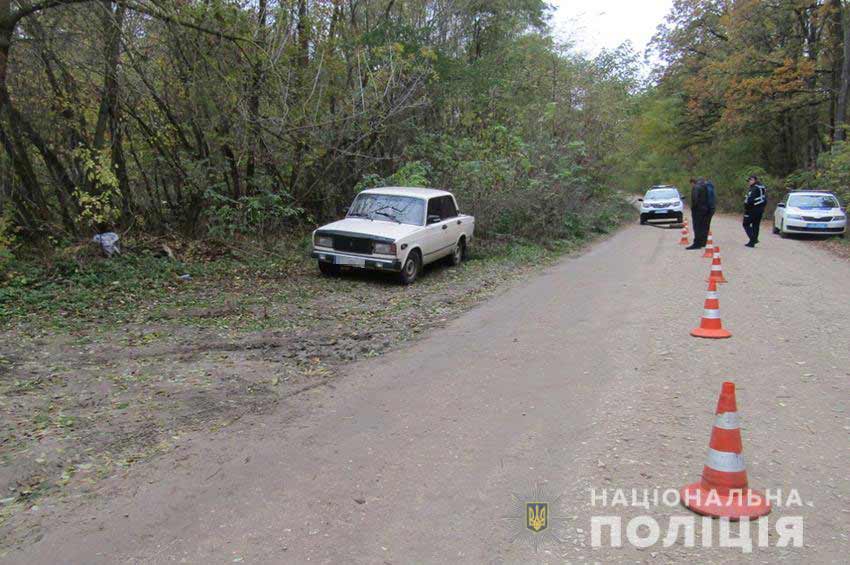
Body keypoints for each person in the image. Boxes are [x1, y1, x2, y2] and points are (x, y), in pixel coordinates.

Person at [743, 175, 767, 247]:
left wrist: (746, 206)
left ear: (753, 180)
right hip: (760, 209)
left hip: (752, 209)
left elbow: (750, 200)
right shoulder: (761, 187)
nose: (749, 182)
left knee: (746, 224)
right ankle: (752, 242)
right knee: (755, 225)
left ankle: (753, 239)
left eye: (750, 180)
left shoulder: (754, 188)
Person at [686, 178, 709, 249]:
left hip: (698, 210)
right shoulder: (704, 187)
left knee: (697, 227)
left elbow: (695, 199)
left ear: (692, 183)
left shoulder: (695, 188)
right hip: (705, 209)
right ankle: (703, 242)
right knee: (703, 227)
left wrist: (693, 207)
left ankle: (697, 244)